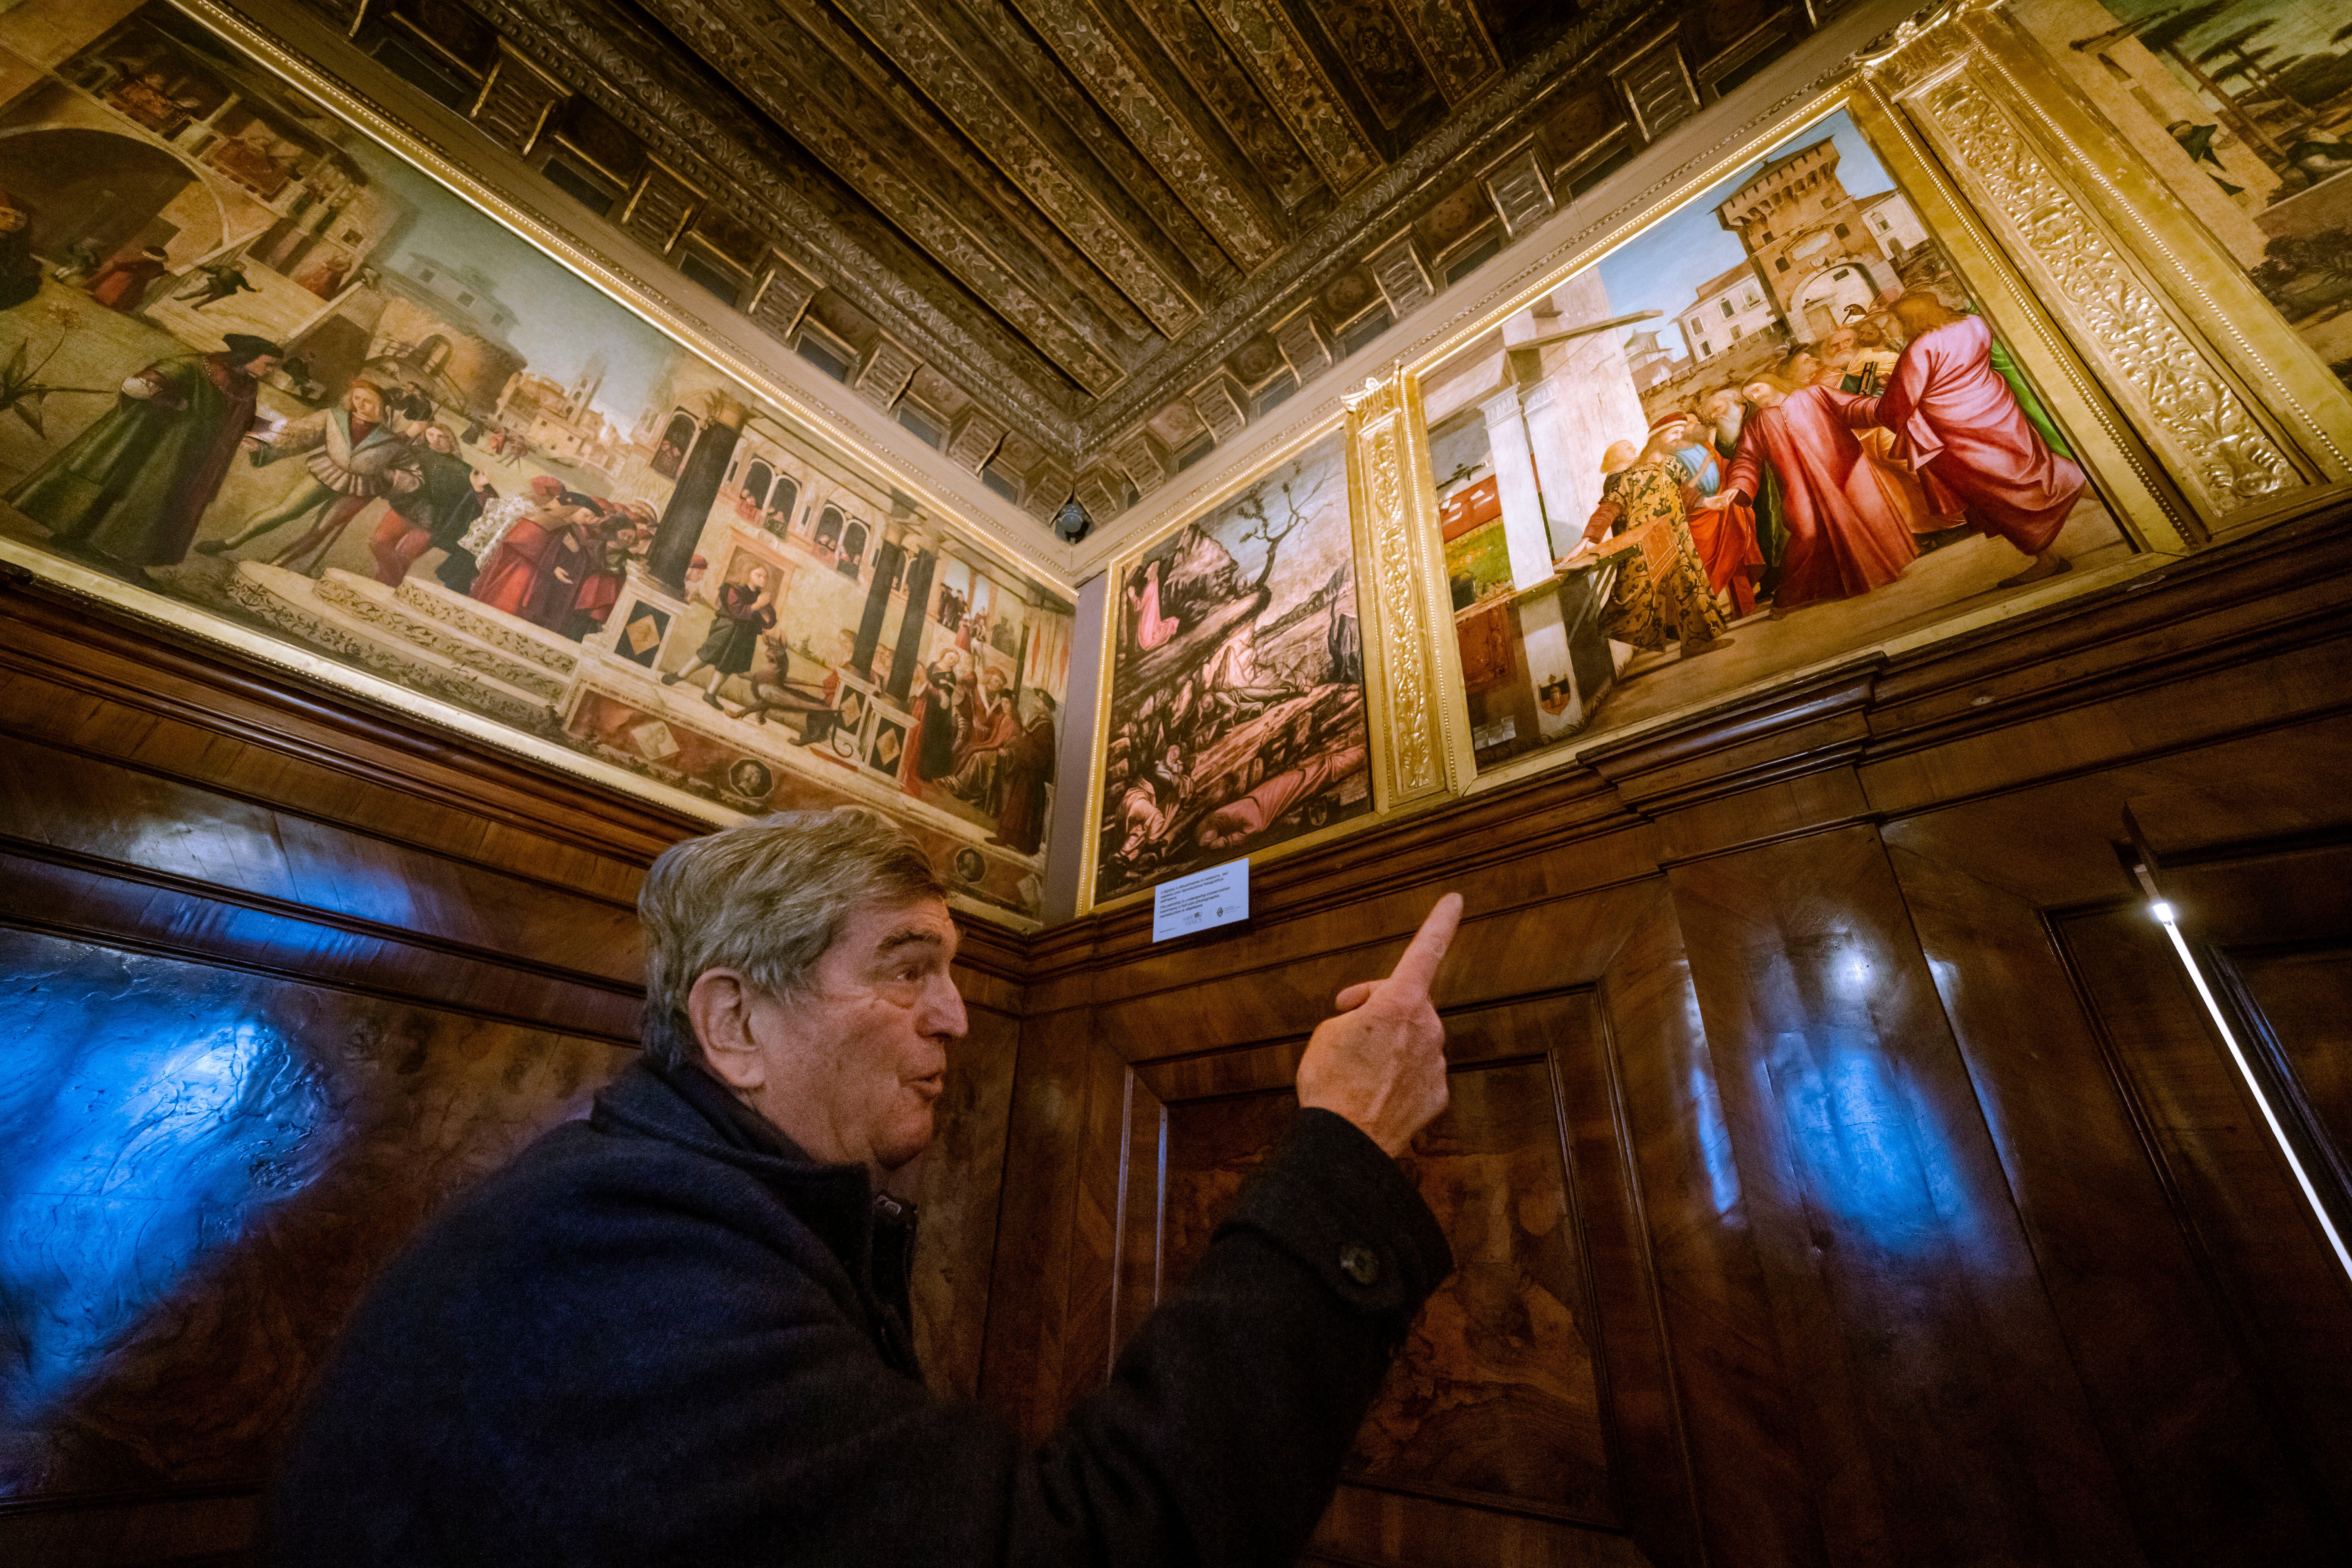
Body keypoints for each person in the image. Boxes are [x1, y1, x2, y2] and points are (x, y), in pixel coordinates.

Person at [261, 811, 1459, 1568]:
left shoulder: (667, 1199)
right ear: (735, 1021)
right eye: (905, 967)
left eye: (951, 969)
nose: (956, 1014)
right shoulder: (610, 1247)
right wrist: (1344, 1144)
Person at [1851, 292, 2085, 589]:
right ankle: (2099, 494)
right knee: (2034, 468)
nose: (1895, 326)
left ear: (1911, 319)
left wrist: (1872, 402)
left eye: (1898, 320)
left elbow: (1896, 406)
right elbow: (1960, 368)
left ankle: (2048, 558)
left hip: (1960, 431)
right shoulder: (1973, 324)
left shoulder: (1920, 349)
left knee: (1998, 493)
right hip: (1999, 410)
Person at [8, 333, 283, 575]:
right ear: (248, 356)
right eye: (268, 363)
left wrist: (270, 427)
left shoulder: (246, 384)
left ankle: (123, 557)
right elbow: (135, 386)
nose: (270, 372)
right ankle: (89, 545)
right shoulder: (193, 366)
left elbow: (236, 417)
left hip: (197, 458)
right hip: (157, 448)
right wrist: (169, 401)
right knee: (133, 493)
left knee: (164, 504)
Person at [1695, 361, 1917, 614]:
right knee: (1806, 530)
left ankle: (1877, 574)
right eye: (1749, 397)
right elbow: (1747, 457)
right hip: (1798, 484)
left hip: (1844, 472)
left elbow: (1854, 408)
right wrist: (1738, 485)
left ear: (1772, 382)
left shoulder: (1815, 395)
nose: (1754, 398)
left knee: (1868, 514)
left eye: (1756, 390)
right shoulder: (1757, 422)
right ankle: (1791, 596)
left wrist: (1891, 399)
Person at [198, 379, 422, 572]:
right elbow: (298, 435)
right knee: (284, 511)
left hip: (359, 490)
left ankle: (275, 566)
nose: (361, 406)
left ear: (382, 406)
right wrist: (264, 447)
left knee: (321, 530)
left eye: (368, 401)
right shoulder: (333, 417)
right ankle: (229, 542)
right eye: (357, 399)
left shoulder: (393, 442)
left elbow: (415, 476)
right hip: (326, 472)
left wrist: (386, 474)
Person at [1553, 439, 1731, 658]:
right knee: (1657, 595)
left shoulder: (1649, 470)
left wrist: (1704, 502)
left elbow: (1675, 493)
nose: (1635, 450)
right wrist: (1589, 539)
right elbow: (1611, 510)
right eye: (1629, 449)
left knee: (1679, 589)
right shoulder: (1621, 480)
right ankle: (1691, 639)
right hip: (1643, 545)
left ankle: (1693, 639)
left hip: (1663, 539)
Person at [366, 424, 494, 588]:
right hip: (404, 509)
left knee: (403, 558)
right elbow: (389, 448)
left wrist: (478, 488)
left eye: (442, 437)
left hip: (432, 523)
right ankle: (386, 587)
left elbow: (485, 499)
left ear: (452, 441)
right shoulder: (415, 453)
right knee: (378, 543)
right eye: (431, 434)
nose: (436, 440)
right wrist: (408, 433)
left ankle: (379, 589)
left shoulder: (464, 469)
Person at [663, 564, 777, 708]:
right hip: (727, 629)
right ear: (748, 573)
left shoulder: (760, 596)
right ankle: (679, 676)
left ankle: (710, 694)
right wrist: (757, 606)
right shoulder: (733, 588)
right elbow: (737, 611)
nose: (763, 580)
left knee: (728, 665)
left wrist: (765, 614)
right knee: (706, 655)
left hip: (745, 636)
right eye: (759, 575)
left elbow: (770, 619)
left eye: (765, 577)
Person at [993, 690, 1057, 854]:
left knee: (1022, 807)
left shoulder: (1047, 727)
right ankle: (1006, 837)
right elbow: (1025, 741)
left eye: (1039, 701)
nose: (1036, 703)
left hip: (1032, 776)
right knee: (1017, 804)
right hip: (1025, 772)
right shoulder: (1038, 721)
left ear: (1046, 707)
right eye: (1036, 700)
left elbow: (1042, 753)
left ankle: (1015, 840)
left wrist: (1023, 752)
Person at [86, 246, 172, 312]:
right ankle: (107, 302)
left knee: (125, 293)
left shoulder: (155, 265)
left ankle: (112, 304)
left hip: (137, 280)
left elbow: (149, 274)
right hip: (136, 279)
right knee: (121, 290)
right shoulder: (154, 264)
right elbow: (134, 265)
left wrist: (161, 273)